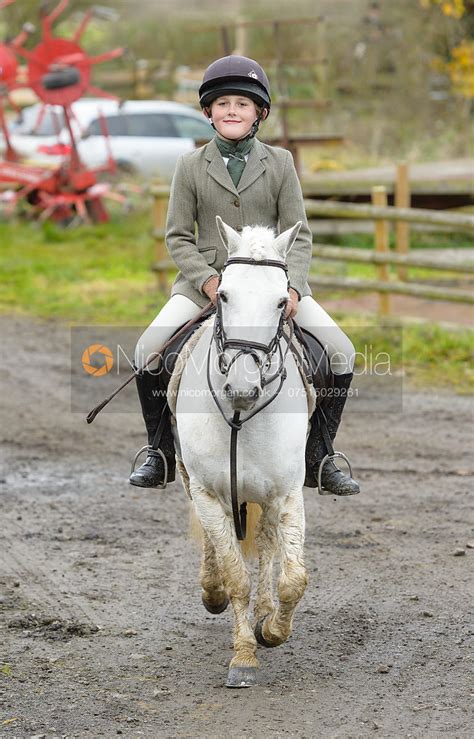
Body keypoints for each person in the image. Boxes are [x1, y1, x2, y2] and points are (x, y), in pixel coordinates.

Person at [130, 55, 360, 497]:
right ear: (208, 112)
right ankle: (159, 453)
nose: (231, 110)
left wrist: (292, 286)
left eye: (241, 103)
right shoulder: (190, 166)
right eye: (222, 104)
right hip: (207, 286)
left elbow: (302, 234)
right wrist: (207, 281)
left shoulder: (281, 163)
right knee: (145, 350)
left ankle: (321, 455)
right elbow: (178, 236)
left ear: (259, 114)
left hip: (273, 285)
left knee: (342, 352)